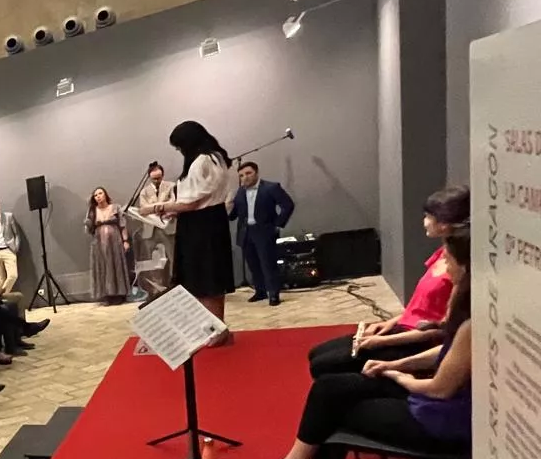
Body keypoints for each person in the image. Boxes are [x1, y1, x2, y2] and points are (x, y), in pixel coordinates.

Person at [250, 233, 473, 459]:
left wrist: (397, 375)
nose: (445, 268)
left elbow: (439, 388)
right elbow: (445, 353)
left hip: (441, 419)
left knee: (332, 403)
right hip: (430, 398)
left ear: (467, 267)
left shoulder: (472, 325)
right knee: (331, 388)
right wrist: (394, 366)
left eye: (449, 261)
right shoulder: (466, 314)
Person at [309, 186, 470, 376]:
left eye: (428, 216)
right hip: (403, 330)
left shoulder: (460, 271)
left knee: (324, 365)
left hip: (417, 342)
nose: (424, 222)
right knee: (317, 354)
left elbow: (441, 329)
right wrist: (390, 323)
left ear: (444, 224)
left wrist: (382, 342)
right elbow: (419, 308)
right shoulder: (441, 254)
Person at [143, 120, 237, 337]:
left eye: (179, 146)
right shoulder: (213, 157)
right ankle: (214, 327)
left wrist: (156, 207)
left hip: (203, 225)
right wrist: (174, 211)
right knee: (203, 277)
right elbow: (197, 200)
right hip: (202, 221)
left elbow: (193, 203)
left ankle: (217, 329)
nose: (179, 151)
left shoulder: (205, 160)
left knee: (206, 278)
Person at [230, 161, 297, 306]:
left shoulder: (271, 187)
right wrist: (227, 208)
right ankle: (260, 291)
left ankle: (273, 294)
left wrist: (278, 224)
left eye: (248, 173)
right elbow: (234, 215)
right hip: (246, 233)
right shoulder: (240, 192)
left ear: (256, 173)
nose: (245, 177)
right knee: (253, 264)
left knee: (268, 264)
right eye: (241, 175)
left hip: (264, 231)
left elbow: (288, 205)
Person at [134, 161, 178, 298]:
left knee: (174, 258)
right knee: (151, 261)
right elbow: (143, 209)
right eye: (154, 179)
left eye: (159, 178)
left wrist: (155, 207)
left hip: (168, 227)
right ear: (149, 177)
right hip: (150, 228)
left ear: (163, 175)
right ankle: (156, 288)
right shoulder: (144, 192)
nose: (157, 181)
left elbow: (175, 203)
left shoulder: (172, 186)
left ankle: (176, 285)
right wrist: (162, 207)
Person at [84, 187, 130, 304]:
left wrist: (125, 241)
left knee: (116, 264)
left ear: (105, 195)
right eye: (95, 195)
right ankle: (106, 295)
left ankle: (119, 294)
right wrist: (88, 222)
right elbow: (88, 229)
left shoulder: (115, 207)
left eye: (100, 193)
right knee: (103, 266)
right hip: (99, 243)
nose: (98, 196)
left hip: (114, 241)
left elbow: (122, 225)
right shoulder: (93, 210)